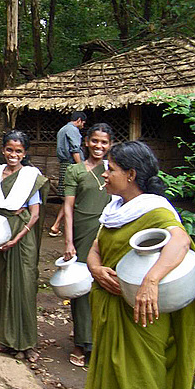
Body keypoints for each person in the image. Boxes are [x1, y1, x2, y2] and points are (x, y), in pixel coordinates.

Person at [74, 141, 195, 389]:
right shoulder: (115, 210)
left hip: (142, 318)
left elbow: (180, 241)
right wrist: (95, 268)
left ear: (131, 175)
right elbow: (96, 248)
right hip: (112, 313)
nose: (105, 174)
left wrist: (151, 280)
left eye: (112, 169)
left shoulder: (154, 211)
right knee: (110, 383)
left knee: (141, 388)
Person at [0, 130, 49, 362]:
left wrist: (18, 238)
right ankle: (7, 340)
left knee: (24, 286)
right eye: (9, 149)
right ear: (3, 150)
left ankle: (27, 344)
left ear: (25, 153)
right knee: (3, 284)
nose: (13, 154)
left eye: (18, 151)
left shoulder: (30, 177)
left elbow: (35, 214)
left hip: (22, 234)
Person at [61, 123, 113, 366]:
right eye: (95, 141)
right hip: (82, 231)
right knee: (81, 288)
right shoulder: (75, 170)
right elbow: (68, 207)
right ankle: (82, 343)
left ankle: (102, 343)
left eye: (104, 142)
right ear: (86, 142)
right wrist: (69, 241)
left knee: (105, 285)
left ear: (110, 145)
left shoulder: (114, 169)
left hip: (109, 232)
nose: (99, 146)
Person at [49, 111, 87, 237]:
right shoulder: (72, 130)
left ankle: (56, 225)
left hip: (65, 165)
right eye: (83, 123)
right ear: (79, 120)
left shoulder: (63, 129)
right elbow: (75, 149)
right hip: (72, 166)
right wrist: (81, 167)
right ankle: (58, 225)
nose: (83, 125)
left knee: (68, 197)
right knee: (71, 197)